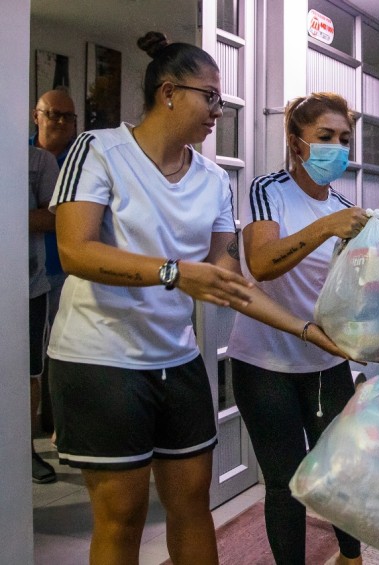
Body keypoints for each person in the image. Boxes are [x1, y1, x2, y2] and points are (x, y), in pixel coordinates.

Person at [46, 32, 345, 565]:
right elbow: (75, 251)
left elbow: (226, 280)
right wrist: (173, 272)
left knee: (192, 504)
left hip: (177, 360)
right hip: (100, 359)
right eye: (210, 97)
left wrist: (306, 329)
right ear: (168, 92)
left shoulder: (212, 179)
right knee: (123, 516)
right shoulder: (99, 150)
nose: (218, 111)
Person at [227, 92, 368, 565]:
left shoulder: (348, 206)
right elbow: (263, 264)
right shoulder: (270, 190)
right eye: (325, 136)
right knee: (285, 483)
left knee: (340, 474)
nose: (337, 147)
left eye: (345, 139)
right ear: (297, 142)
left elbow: (356, 287)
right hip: (264, 362)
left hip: (327, 359)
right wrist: (328, 226)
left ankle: (352, 558)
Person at [31, 88, 77, 325]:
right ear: (35, 116)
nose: (61, 121)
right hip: (22, 275)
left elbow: (61, 219)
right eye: (53, 114)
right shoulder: (17, 155)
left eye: (68, 116)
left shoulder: (85, 158)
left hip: (67, 272)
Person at [28, 146, 59, 484]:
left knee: (28, 373)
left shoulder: (38, 161)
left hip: (28, 286)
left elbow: (56, 217)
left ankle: (25, 452)